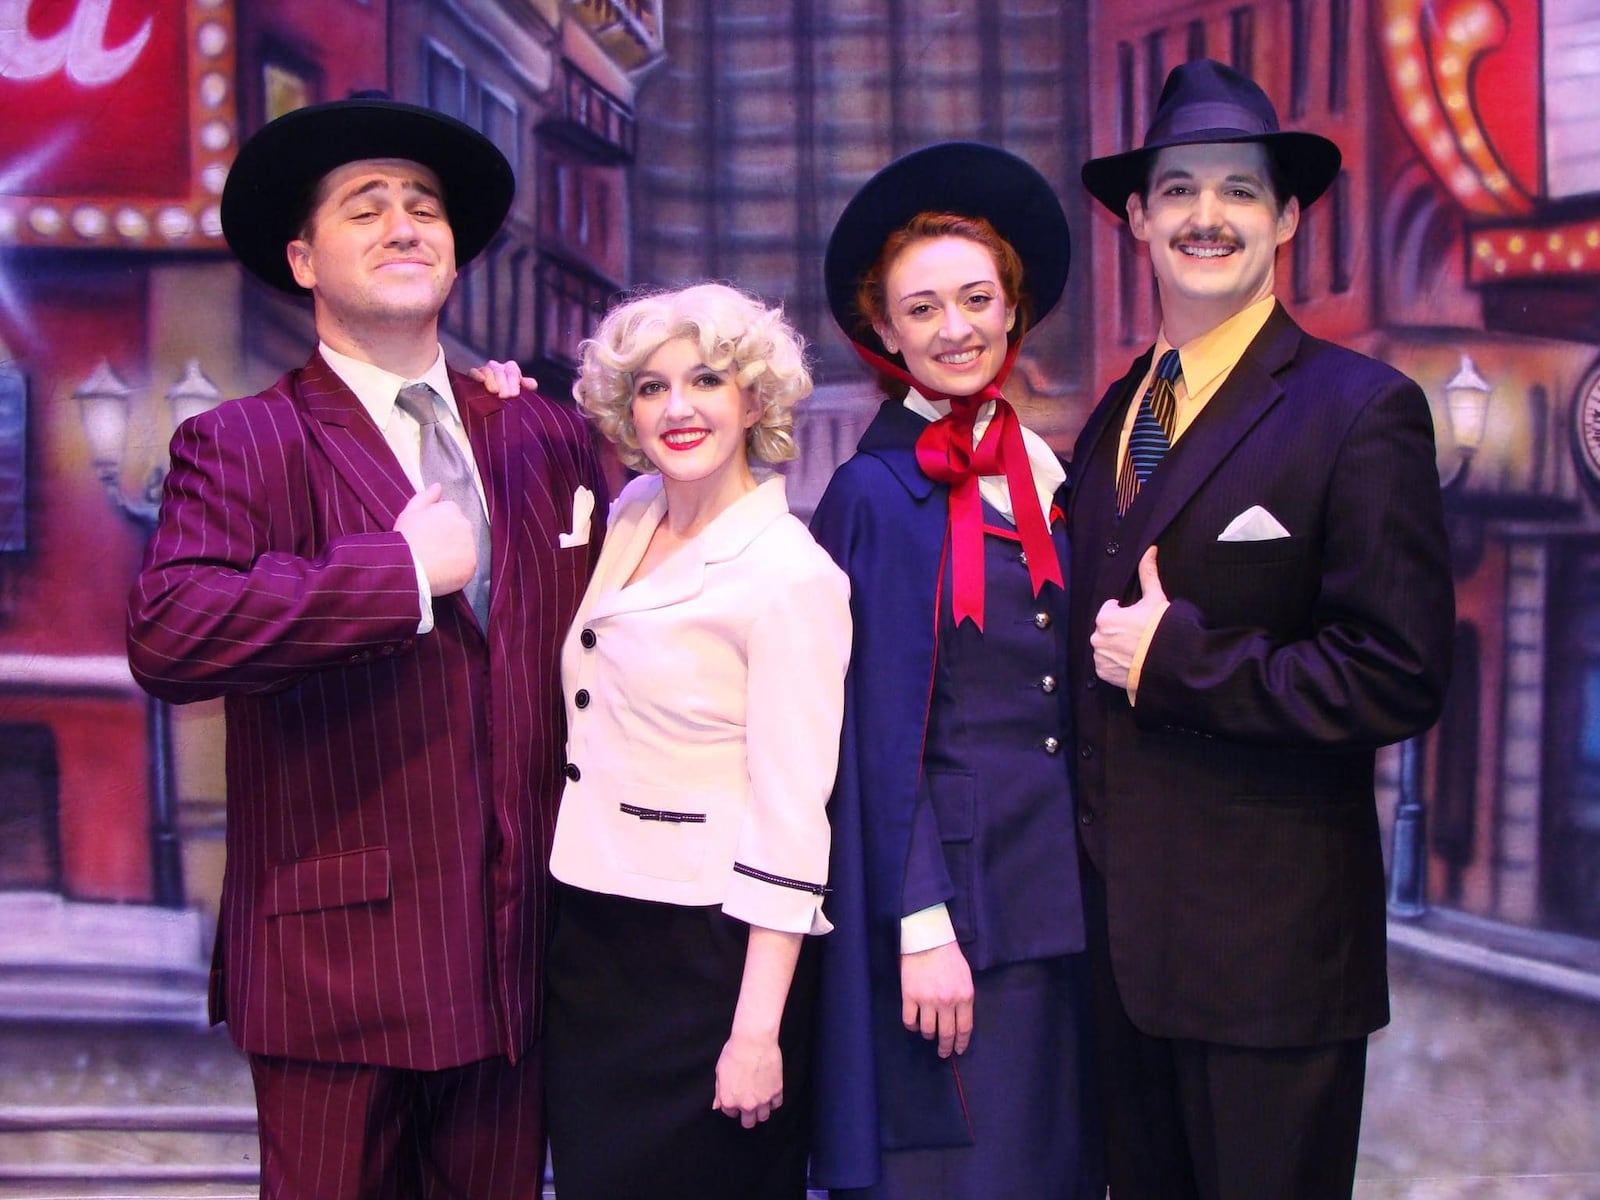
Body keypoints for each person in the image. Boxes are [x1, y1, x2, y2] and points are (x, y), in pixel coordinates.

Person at [125, 94, 608, 1198]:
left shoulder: (539, 431)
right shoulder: (241, 441)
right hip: (337, 969)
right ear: (302, 259)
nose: (405, 226)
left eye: (425, 209)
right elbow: (170, 633)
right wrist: (392, 577)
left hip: (515, 966)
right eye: (366, 208)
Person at [1070, 58, 1454, 1200]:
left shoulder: (1360, 409)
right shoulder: (1115, 412)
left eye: (1239, 191)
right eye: (1178, 189)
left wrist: (1178, 660)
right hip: (1121, 964)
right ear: (1137, 218)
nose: (1207, 216)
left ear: (1285, 219)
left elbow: (1397, 674)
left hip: (1270, 975)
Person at [809, 143, 1102, 1199]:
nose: (955, 329)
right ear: (883, 331)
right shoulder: (871, 494)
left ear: (1013, 309)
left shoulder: (1051, 473)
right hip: (956, 922)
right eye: (922, 309)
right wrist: (920, 923)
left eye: (976, 299)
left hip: (1062, 906)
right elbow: (870, 736)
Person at [541, 282, 851, 1200]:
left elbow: (794, 820)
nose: (677, 408)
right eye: (650, 386)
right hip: (594, 946)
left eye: (706, 379)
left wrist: (757, 1032)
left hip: (711, 964)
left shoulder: (793, 577)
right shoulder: (633, 510)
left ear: (753, 399)